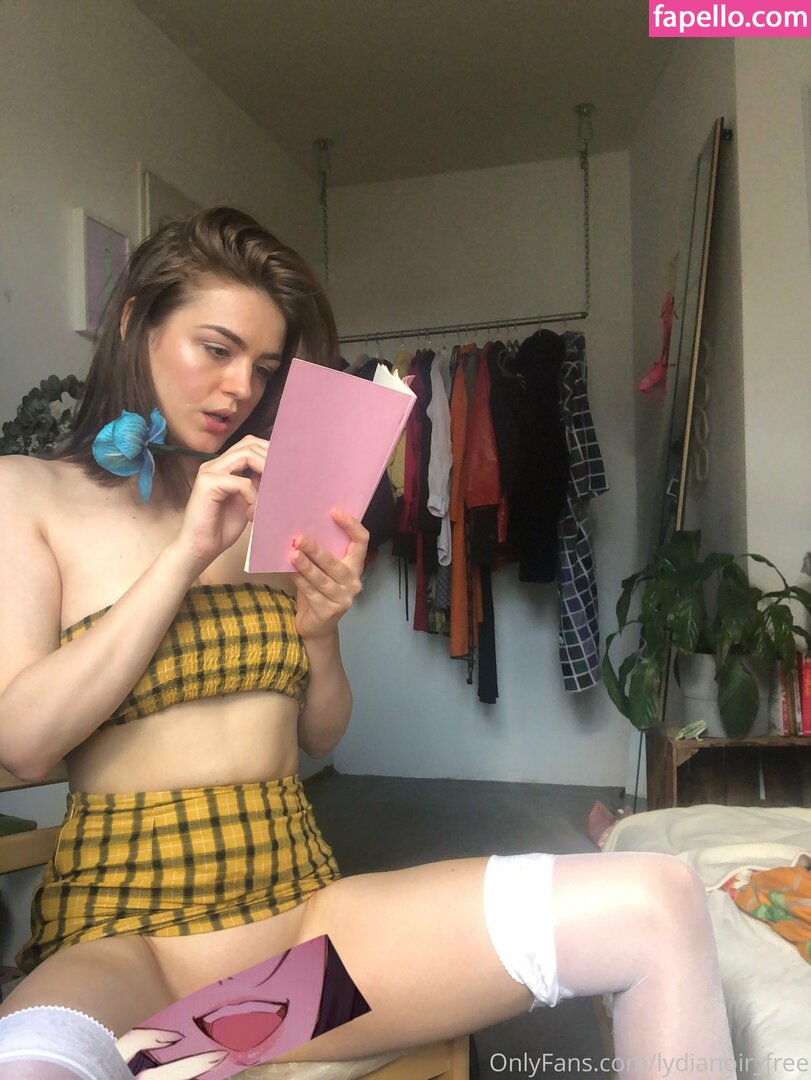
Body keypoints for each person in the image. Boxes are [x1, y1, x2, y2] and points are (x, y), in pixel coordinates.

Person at [0, 207, 737, 1080]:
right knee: (32, 1066)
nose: (239, 389)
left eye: (262, 368)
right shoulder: (30, 495)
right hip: (129, 946)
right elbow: (24, 743)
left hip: (299, 949)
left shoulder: (268, 500)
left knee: (655, 903)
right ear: (135, 323)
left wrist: (320, 634)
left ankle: (220, 1044)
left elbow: (321, 735)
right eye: (216, 348)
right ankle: (194, 1048)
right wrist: (184, 556)